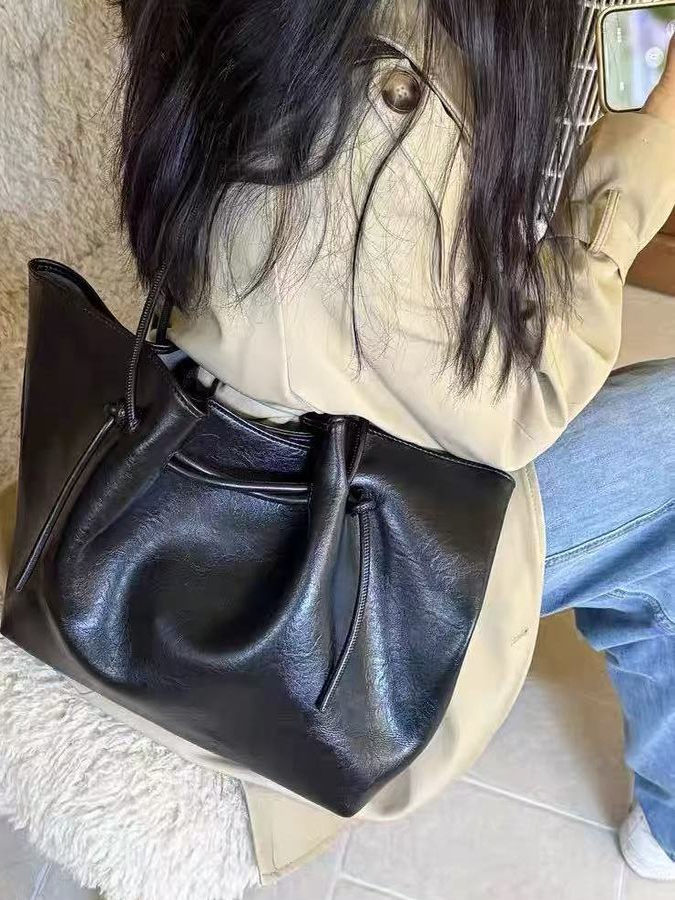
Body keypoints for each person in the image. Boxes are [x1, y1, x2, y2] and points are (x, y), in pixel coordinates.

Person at [111, 0, 675, 883]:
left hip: (224, 404)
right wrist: (646, 148)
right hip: (301, 545)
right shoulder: (381, 91)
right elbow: (518, 405)